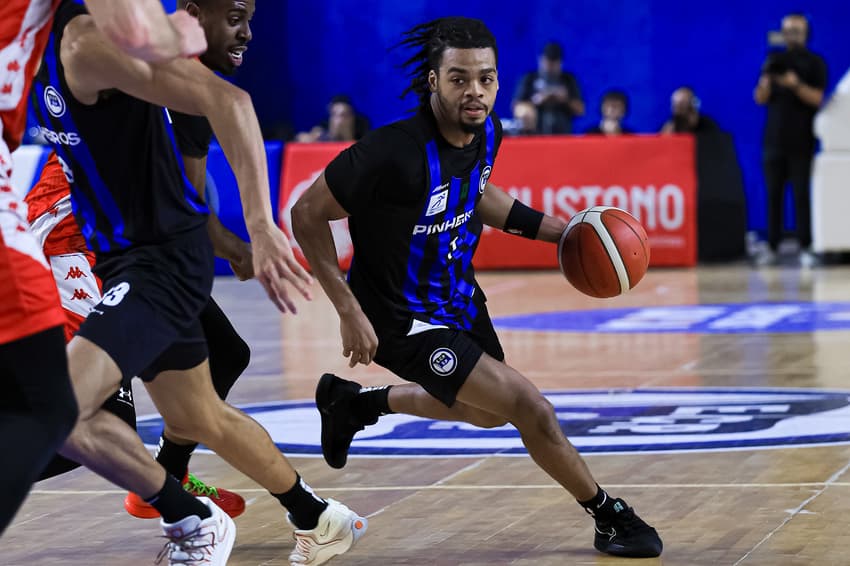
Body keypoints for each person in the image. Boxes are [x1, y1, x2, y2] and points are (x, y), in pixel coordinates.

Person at [292, 17, 662, 559]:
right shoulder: (390, 152)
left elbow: (477, 193)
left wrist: (560, 232)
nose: (476, 92)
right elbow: (306, 213)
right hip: (399, 316)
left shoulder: (489, 131)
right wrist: (347, 309)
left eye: (486, 78)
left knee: (489, 411)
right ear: (433, 82)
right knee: (530, 408)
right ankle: (610, 516)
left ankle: (355, 404)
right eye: (459, 79)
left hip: (457, 298)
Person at [31, 1, 367, 564]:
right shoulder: (31, 58)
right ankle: (320, 517)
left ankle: (191, 516)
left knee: (58, 408)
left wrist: (260, 225)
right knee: (200, 416)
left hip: (158, 263)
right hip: (126, 257)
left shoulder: (82, 44)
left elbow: (231, 101)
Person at [27, 0, 264, 520]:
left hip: (147, 249)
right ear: (192, 15)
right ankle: (167, 495)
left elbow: (191, 199)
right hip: (74, 232)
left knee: (225, 352)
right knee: (91, 416)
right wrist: (260, 231)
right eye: (236, 18)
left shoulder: (193, 94)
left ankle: (167, 481)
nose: (246, 33)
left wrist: (233, 245)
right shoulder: (95, 46)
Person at [0, 0, 205, 536]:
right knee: (64, 413)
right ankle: (181, 505)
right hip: (63, 230)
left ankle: (179, 489)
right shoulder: (78, 44)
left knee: (222, 356)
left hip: (124, 245)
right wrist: (180, 29)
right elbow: (152, 36)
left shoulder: (75, 46)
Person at [754, 13, 827, 267]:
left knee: (800, 196)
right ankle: (772, 246)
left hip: (801, 141)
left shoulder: (815, 63)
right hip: (773, 141)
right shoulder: (775, 60)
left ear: (806, 33)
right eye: (788, 30)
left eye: (797, 30)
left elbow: (818, 99)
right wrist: (766, 80)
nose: (792, 35)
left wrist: (795, 85)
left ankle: (806, 246)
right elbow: (760, 98)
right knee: (773, 195)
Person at [513, 41, 584, 134]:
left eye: (554, 63)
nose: (550, 67)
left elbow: (580, 110)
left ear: (560, 62)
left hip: (563, 134)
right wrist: (538, 100)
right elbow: (517, 108)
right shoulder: (529, 79)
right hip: (535, 135)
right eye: (547, 62)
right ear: (540, 60)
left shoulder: (568, 80)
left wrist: (564, 99)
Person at [296, 95, 370, 142]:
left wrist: (348, 136)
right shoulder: (324, 124)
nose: (340, 120)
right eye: (335, 114)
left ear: (352, 115)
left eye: (344, 115)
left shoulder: (361, 124)